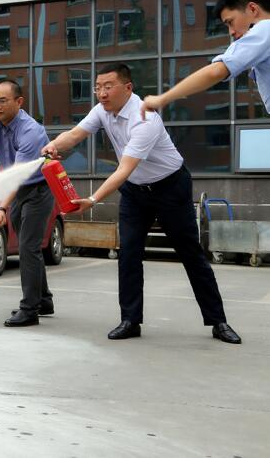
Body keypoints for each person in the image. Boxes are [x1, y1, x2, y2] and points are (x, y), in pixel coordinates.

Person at [43, 63, 241, 344]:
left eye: (108, 86)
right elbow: (76, 134)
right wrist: (55, 144)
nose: (101, 93)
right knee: (129, 254)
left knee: (190, 255)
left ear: (127, 88)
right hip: (136, 193)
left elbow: (123, 169)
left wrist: (93, 199)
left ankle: (218, 321)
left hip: (170, 186)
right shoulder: (102, 110)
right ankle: (130, 320)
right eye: (98, 87)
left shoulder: (145, 119)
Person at [0, 80, 54, 327]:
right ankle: (44, 299)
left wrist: (2, 206)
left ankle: (30, 310)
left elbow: (17, 176)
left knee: (27, 247)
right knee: (30, 248)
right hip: (17, 190)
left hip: (38, 189)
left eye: (2, 101)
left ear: (19, 102)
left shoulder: (31, 131)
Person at [143, 0, 270, 118]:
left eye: (230, 22)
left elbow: (215, 72)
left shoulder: (265, 29)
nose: (231, 32)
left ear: (253, 9)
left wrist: (162, 99)